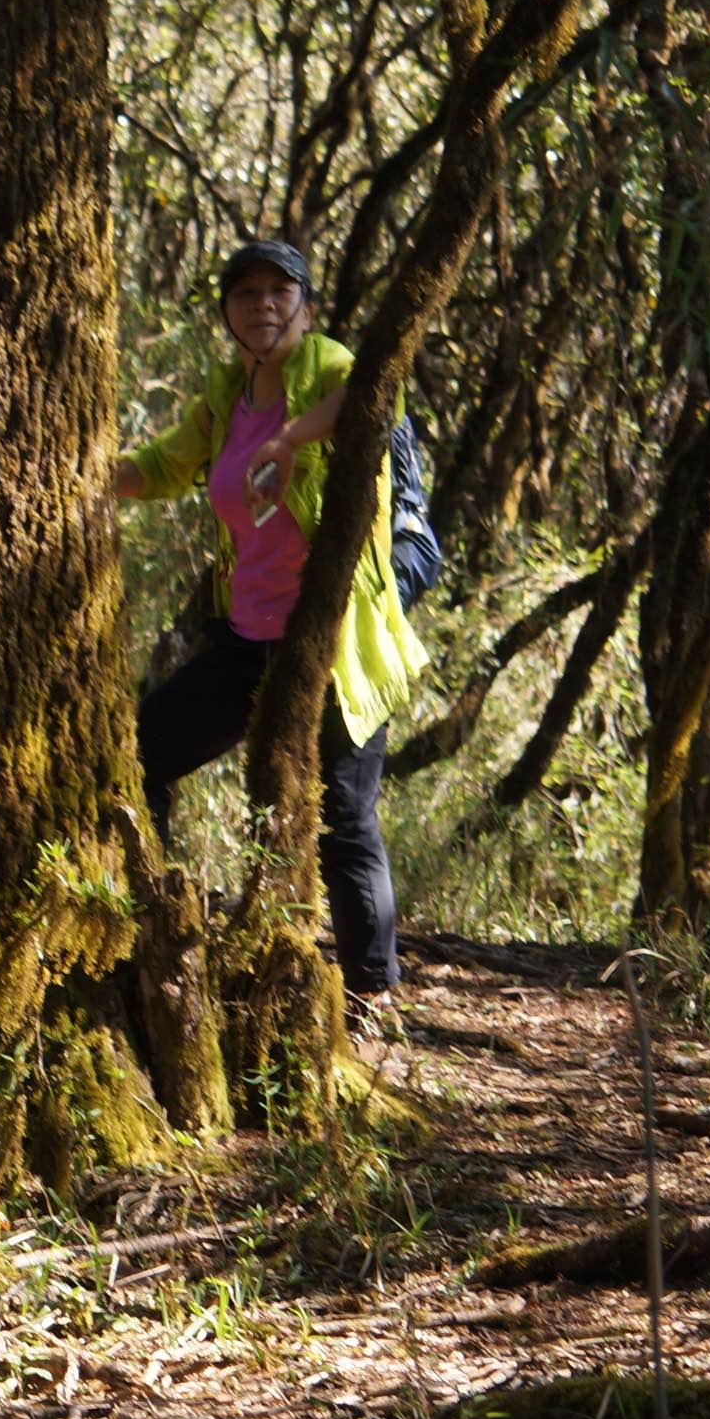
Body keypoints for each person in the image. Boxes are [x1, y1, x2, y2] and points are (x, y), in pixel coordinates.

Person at [114, 240, 428, 1008]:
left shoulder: (324, 364)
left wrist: (288, 438)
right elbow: (162, 466)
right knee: (141, 748)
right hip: (247, 638)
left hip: (331, 644)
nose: (261, 303)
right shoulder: (225, 395)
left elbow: (372, 396)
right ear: (224, 312)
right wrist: (80, 477)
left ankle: (370, 999)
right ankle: (146, 939)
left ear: (305, 307)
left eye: (277, 291)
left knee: (342, 820)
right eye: (244, 291)